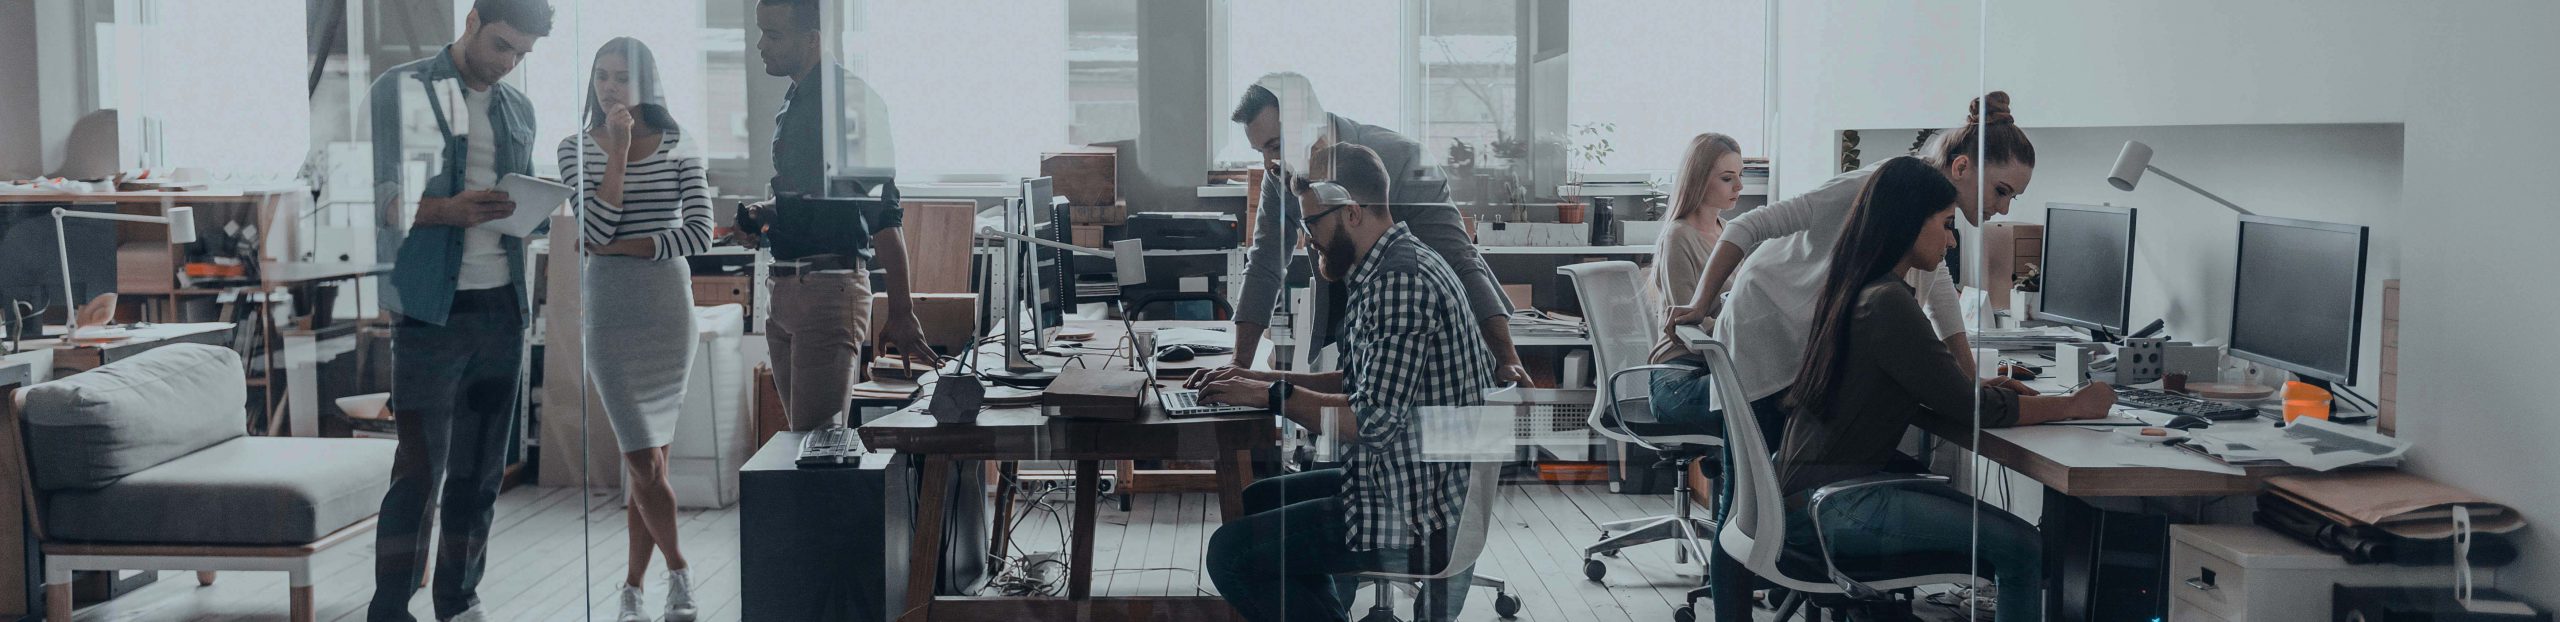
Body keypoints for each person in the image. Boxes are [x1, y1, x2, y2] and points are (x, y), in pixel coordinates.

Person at [1775, 156, 2112, 621]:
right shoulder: (1887, 301)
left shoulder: (1861, 287)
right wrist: (2074, 405)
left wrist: (1969, 385)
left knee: (2005, 533)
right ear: (1910, 223)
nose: (1952, 239)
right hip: (1835, 506)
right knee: (2022, 548)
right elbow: (1973, 409)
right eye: (1947, 224)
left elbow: (1940, 386)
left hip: (1811, 497)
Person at [1194, 144, 1494, 622]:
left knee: (1230, 553)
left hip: (1417, 511)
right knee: (1257, 499)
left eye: (1311, 224)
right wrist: (1258, 376)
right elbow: (1361, 381)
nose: (1305, 239)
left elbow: (1369, 423)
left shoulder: (1402, 282)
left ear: (1351, 213)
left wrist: (1270, 396)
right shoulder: (1389, 266)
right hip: (1409, 481)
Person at [364, 1, 550, 620]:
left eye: (522, 54)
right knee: (418, 474)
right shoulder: (400, 91)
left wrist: (529, 210)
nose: (509, 64)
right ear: (471, 19)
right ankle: (390, 608)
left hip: (503, 308)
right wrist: (448, 209)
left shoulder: (518, 108)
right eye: (502, 46)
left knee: (481, 474)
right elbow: (373, 195)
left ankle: (459, 600)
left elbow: (519, 201)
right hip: (428, 313)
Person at [1220, 74, 1529, 385]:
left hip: (1429, 329)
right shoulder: (1281, 172)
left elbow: (1460, 259)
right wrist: (1240, 366)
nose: (1270, 162)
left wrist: (1507, 359)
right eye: (1260, 151)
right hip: (1356, 325)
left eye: (1275, 146)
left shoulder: (1402, 158)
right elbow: (1264, 263)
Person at [557, 36, 712, 622]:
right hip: (611, 313)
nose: (609, 88)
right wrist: (617, 151)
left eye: (621, 77)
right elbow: (593, 223)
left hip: (668, 312)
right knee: (644, 462)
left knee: (648, 468)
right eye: (601, 76)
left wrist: (622, 246)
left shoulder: (679, 144)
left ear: (646, 82)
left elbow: (700, 233)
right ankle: (681, 572)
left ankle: (631, 589)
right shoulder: (574, 147)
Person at [734, 0, 939, 431]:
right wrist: (762, 215)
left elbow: (883, 214)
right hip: (786, 288)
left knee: (817, 451)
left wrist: (901, 309)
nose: (760, 45)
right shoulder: (795, 100)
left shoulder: (851, 104)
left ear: (812, 39)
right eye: (761, 32)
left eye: (773, 35)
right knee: (802, 447)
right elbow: (811, 205)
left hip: (827, 293)